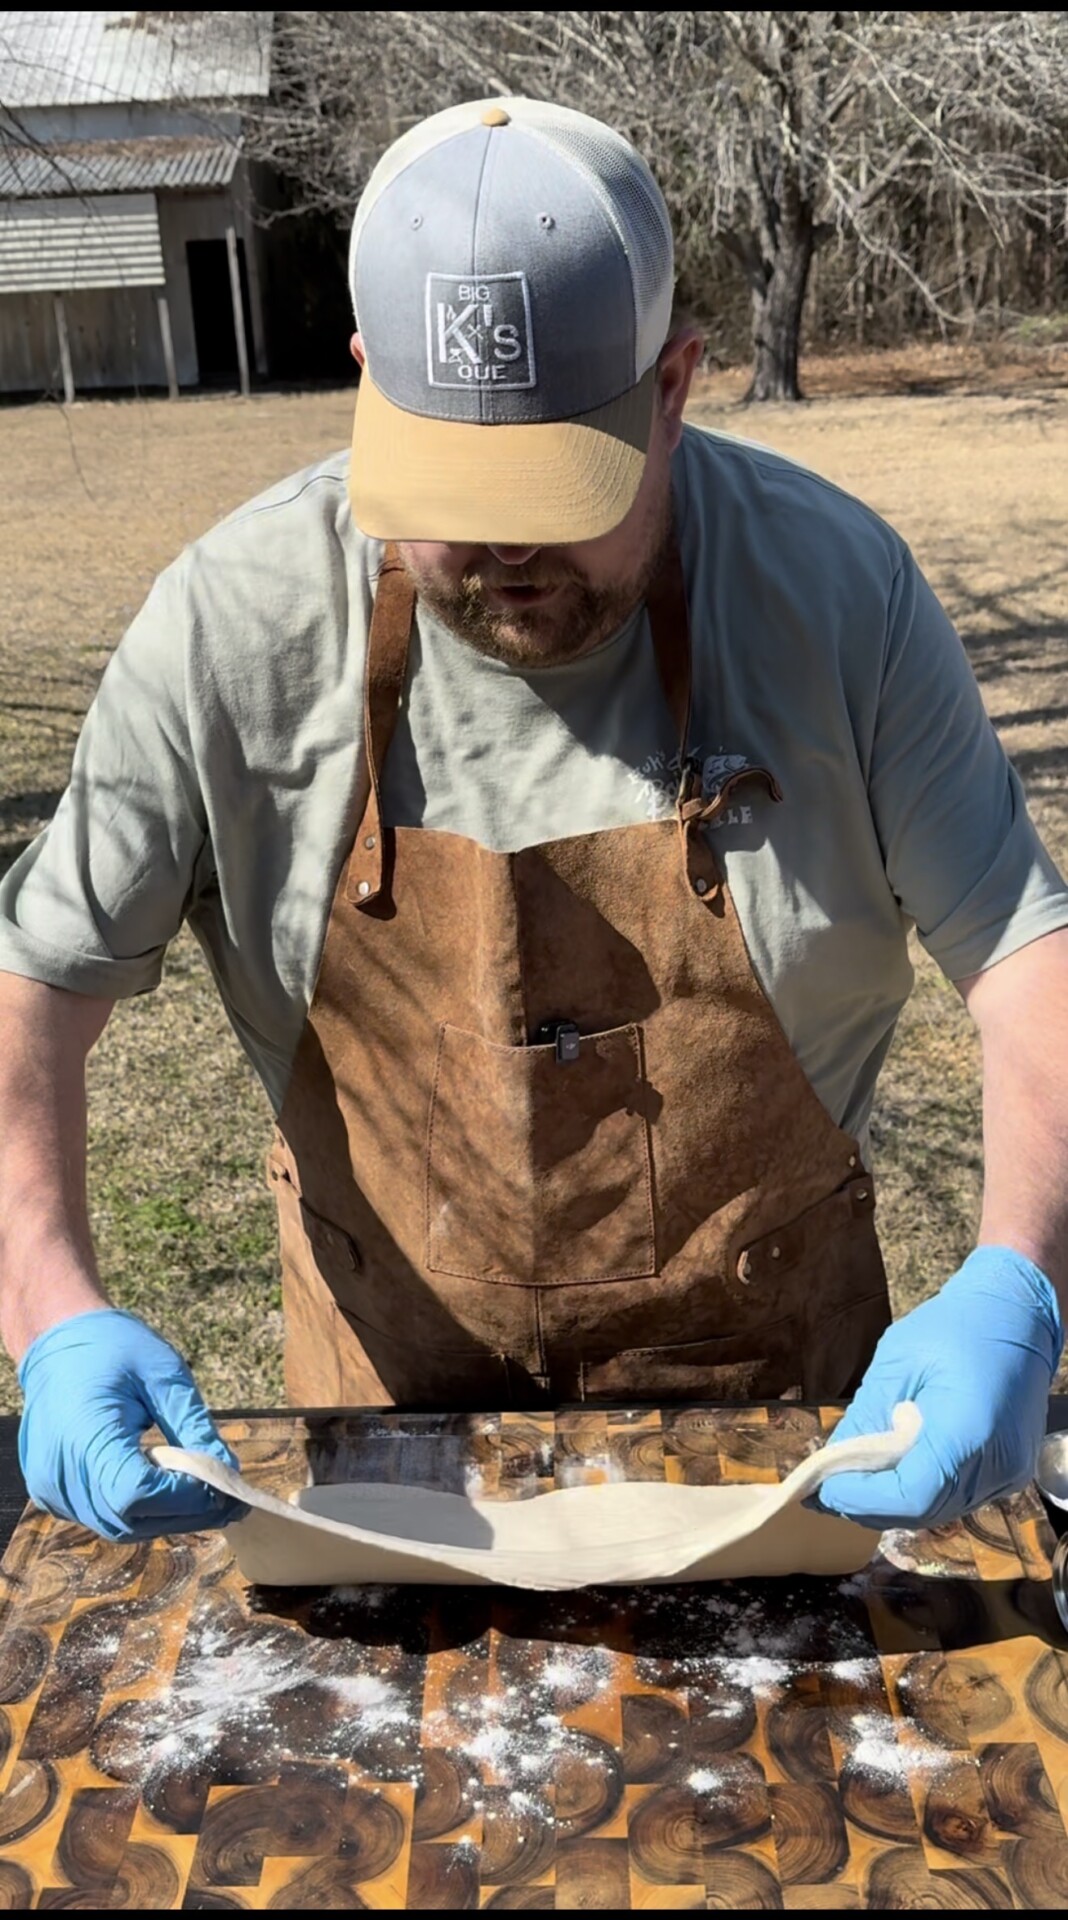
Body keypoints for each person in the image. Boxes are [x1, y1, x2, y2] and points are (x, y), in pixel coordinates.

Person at [1, 98, 1066, 1547]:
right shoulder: (228, 629)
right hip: (390, 1457)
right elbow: (39, 988)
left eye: (561, 489)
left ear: (675, 385)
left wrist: (1020, 1275)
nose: (508, 549)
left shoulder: (837, 599)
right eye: (455, 488)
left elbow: (1025, 953)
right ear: (369, 385)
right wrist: (53, 1308)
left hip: (789, 1449)